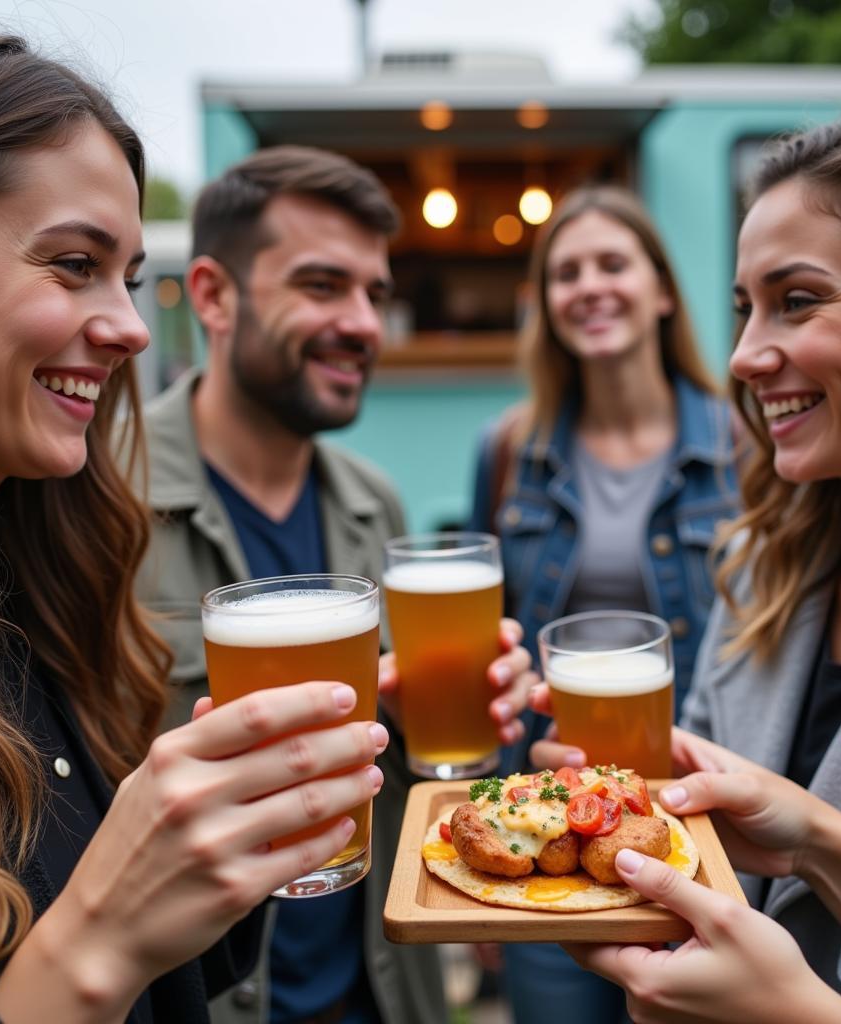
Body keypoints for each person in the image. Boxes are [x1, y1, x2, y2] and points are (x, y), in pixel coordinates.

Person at [0, 20, 390, 1024]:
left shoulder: (33, 594)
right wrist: (96, 946)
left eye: (125, 274)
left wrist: (221, 845)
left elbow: (174, 983)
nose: (129, 324)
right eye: (74, 263)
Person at [533, 109, 841, 1023]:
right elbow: (703, 859)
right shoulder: (759, 568)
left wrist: (823, 851)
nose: (745, 356)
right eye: (745, 307)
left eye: (798, 299)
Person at [134, 145, 537, 1024]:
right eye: (322, 286)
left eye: (375, 294)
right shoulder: (105, 501)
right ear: (211, 295)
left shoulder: (374, 501)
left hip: (385, 993)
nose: (362, 323)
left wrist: (442, 710)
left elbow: (386, 752)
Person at [467, 185, 739, 1021]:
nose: (591, 286)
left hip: (706, 828)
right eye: (567, 273)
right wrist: (482, 833)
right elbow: (490, 657)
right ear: (546, 307)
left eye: (613, 264)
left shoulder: (742, 446)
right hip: (547, 832)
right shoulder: (511, 450)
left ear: (662, 290)